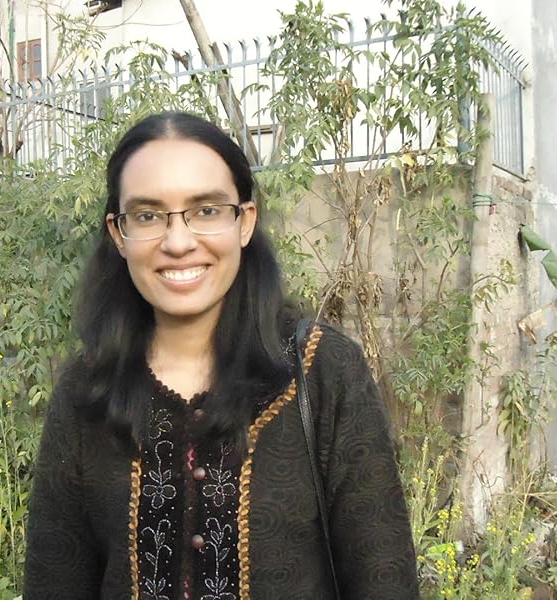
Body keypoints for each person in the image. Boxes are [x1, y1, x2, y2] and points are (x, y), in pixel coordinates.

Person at [24, 112, 418, 599]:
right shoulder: (87, 390)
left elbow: (385, 578)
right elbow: (54, 580)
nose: (178, 242)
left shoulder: (322, 372)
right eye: (147, 216)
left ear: (244, 221)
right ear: (118, 234)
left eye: (206, 210)